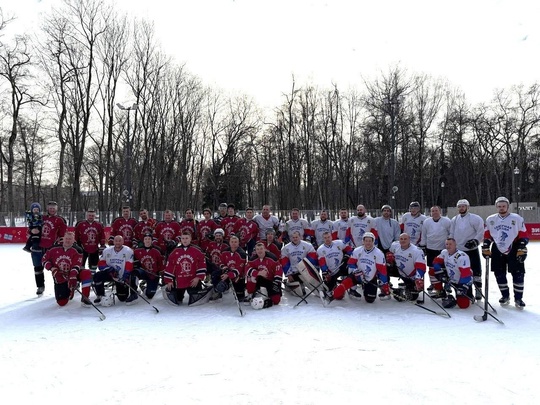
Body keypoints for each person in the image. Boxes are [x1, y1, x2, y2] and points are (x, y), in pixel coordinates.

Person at [483, 196, 529, 309]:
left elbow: (523, 234)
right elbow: (488, 235)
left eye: (504, 206)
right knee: (499, 273)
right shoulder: (490, 219)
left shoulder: (516, 218)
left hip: (514, 247)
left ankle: (518, 298)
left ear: (508, 206)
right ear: (496, 207)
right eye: (499, 206)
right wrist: (486, 245)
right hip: (497, 248)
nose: (501, 208)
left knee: (518, 273)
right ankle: (505, 296)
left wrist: (522, 246)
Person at [321, 232, 389, 305]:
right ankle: (330, 297)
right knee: (344, 284)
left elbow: (382, 270)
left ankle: (365, 287)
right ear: (363, 241)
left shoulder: (378, 253)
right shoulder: (357, 250)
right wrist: (356, 271)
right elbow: (351, 264)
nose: (368, 243)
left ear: (373, 241)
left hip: (370, 278)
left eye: (370, 241)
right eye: (366, 241)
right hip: (357, 275)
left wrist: (385, 283)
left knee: (370, 299)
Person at [42, 232, 92, 307]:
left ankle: (85, 298)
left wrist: (72, 277)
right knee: (61, 303)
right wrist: (52, 268)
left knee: (86, 273)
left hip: (73, 273)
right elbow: (44, 260)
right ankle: (70, 289)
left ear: (73, 240)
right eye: (66, 238)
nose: (67, 240)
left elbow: (77, 265)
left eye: (70, 239)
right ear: (63, 239)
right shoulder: (53, 248)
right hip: (59, 275)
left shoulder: (78, 250)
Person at [449, 199, 485, 300]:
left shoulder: (475, 218)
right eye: (459, 206)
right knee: (463, 271)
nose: (461, 208)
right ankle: (466, 290)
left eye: (463, 206)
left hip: (471, 249)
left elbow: (480, 231)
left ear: (468, 207)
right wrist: (451, 244)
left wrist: (475, 241)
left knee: (476, 271)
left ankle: (478, 289)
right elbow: (451, 233)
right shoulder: (454, 219)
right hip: (459, 250)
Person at [162, 232, 211, 306]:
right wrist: (169, 280)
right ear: (180, 239)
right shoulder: (175, 252)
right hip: (179, 281)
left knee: (194, 297)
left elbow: (202, 264)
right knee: (177, 299)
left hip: (192, 280)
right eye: (183, 238)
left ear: (190, 239)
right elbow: (170, 266)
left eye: (187, 238)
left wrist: (198, 277)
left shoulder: (197, 250)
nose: (185, 240)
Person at [30, 201, 67, 295]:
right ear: (47, 208)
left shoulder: (60, 220)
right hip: (38, 247)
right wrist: (31, 230)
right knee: (38, 268)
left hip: (52, 248)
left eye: (53, 208)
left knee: (55, 268)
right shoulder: (40, 217)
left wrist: (60, 245)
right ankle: (40, 286)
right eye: (50, 208)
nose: (52, 210)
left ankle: (59, 286)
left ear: (56, 209)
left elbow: (63, 235)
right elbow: (31, 226)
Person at [429, 238, 473, 308]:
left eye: (450, 244)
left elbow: (466, 274)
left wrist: (462, 287)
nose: (448, 246)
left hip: (463, 281)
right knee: (432, 271)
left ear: (455, 245)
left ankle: (469, 295)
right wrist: (440, 272)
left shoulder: (462, 256)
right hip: (451, 278)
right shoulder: (444, 252)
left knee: (463, 305)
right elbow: (436, 261)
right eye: (447, 244)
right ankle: (440, 291)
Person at [417, 206, 451, 295]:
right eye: (432, 211)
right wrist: (423, 245)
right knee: (432, 268)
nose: (434, 212)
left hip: (443, 249)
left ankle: (447, 283)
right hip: (431, 248)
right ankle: (434, 284)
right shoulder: (427, 222)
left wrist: (450, 245)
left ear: (440, 212)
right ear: (430, 213)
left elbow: (451, 233)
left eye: (436, 211)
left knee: (444, 267)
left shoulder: (447, 221)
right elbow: (424, 234)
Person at [94, 235, 137, 305]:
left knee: (122, 298)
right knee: (97, 275)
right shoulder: (107, 251)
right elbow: (100, 263)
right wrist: (109, 270)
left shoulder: (128, 251)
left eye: (120, 241)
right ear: (113, 242)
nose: (118, 243)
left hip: (121, 277)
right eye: (116, 241)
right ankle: (100, 295)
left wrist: (125, 276)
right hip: (110, 274)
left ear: (123, 241)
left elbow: (129, 265)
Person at [386, 233, 426, 302]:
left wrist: (418, 278)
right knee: (384, 268)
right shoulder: (395, 245)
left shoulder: (417, 251)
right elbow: (389, 253)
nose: (403, 241)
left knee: (413, 297)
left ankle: (406, 287)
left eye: (405, 239)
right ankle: (385, 285)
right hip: (397, 270)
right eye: (401, 239)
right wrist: (389, 257)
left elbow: (421, 267)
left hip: (410, 276)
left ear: (409, 240)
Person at [280, 231, 320, 297]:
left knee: (316, 285)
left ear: (300, 237)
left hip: (305, 271)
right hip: (294, 272)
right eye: (293, 237)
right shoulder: (286, 248)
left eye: (296, 237)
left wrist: (308, 268)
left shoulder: (307, 245)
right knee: (300, 293)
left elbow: (313, 257)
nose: (295, 239)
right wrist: (288, 275)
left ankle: (320, 292)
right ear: (291, 238)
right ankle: (288, 283)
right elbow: (284, 263)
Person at [246, 242, 283, 309]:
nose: (260, 251)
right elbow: (247, 269)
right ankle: (251, 293)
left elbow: (279, 270)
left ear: (265, 249)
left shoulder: (272, 258)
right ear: (255, 250)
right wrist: (258, 273)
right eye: (258, 249)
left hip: (271, 280)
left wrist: (276, 282)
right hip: (259, 280)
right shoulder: (252, 259)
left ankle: (269, 300)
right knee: (250, 277)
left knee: (276, 300)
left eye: (261, 249)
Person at [213, 235, 248, 300]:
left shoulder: (242, 253)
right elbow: (220, 263)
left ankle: (240, 290)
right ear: (229, 242)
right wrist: (225, 269)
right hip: (227, 272)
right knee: (215, 274)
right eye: (232, 242)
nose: (233, 243)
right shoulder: (224, 251)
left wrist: (228, 275)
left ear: (238, 243)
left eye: (235, 242)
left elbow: (239, 269)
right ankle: (218, 291)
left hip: (238, 276)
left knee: (240, 298)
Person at [132, 233, 165, 299]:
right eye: (146, 239)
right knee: (134, 273)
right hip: (143, 272)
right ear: (143, 241)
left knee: (150, 295)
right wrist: (135, 264)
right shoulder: (137, 251)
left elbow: (161, 264)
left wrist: (161, 273)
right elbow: (131, 258)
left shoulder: (157, 250)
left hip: (153, 274)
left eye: (149, 239)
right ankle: (133, 292)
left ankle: (143, 286)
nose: (147, 241)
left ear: (152, 240)